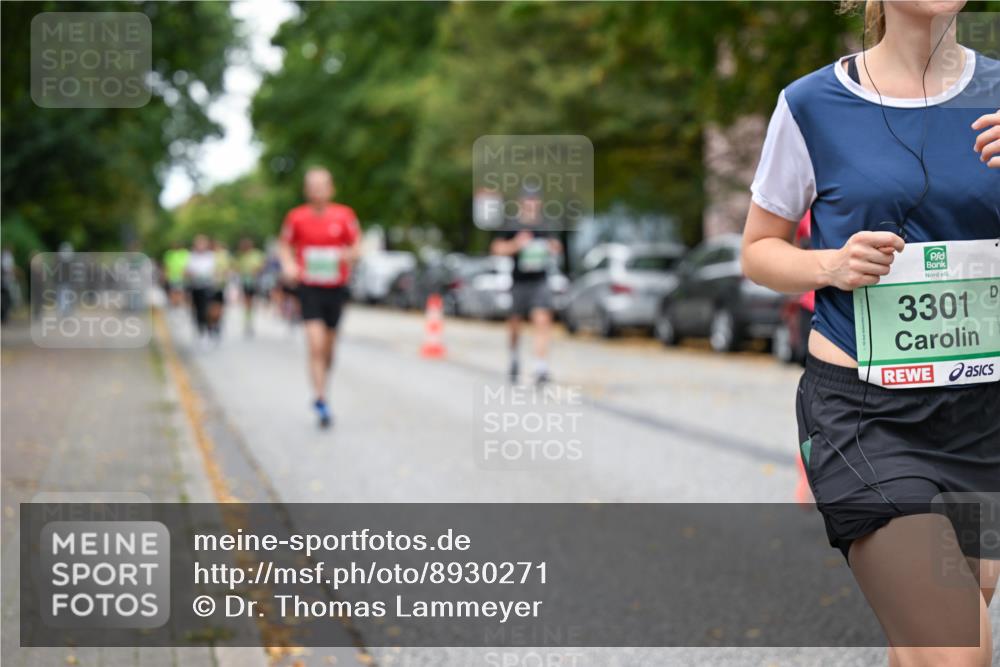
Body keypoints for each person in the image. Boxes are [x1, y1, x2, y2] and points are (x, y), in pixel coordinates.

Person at [742, 1, 999, 664]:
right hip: (866, 411)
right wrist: (830, 263)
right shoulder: (811, 105)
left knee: (925, 641)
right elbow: (758, 249)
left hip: (984, 410)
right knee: (959, 647)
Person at [277, 167, 361, 428]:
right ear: (306, 190)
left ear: (331, 188)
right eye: (312, 185)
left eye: (322, 185)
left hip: (335, 288)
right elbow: (284, 246)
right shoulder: (296, 217)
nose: (317, 190)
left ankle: (324, 385)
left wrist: (350, 255)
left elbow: (357, 244)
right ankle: (320, 398)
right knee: (315, 344)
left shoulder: (344, 215)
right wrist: (289, 265)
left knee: (329, 347)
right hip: (309, 287)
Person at [490, 187, 563, 385]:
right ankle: (514, 357)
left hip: (540, 280)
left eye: (534, 200)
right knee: (515, 323)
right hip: (519, 281)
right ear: (522, 202)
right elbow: (496, 248)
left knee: (542, 321)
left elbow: (557, 246)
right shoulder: (512, 224)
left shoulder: (546, 224)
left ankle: (541, 368)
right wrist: (516, 245)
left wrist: (552, 248)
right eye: (528, 200)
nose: (531, 204)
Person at [185, 234, 216, 344]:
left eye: (202, 243)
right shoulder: (191, 256)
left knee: (206, 309)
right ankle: (200, 331)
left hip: (207, 287)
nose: (200, 246)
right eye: (198, 244)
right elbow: (187, 271)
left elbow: (214, 270)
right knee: (197, 310)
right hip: (195, 287)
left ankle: (209, 331)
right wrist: (191, 274)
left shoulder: (210, 256)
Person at [236, 237, 265, 336]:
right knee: (247, 303)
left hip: (255, 282)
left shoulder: (256, 254)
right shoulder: (242, 256)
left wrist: (256, 271)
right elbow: (239, 269)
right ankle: (248, 321)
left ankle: (249, 320)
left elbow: (261, 266)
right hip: (246, 282)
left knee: (251, 302)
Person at [162, 241, 190, 308]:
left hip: (182, 277)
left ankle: (180, 305)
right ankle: (174, 305)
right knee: (173, 291)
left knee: (181, 291)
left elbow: (188, 264)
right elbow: (166, 266)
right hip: (172, 277)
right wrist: (165, 275)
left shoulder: (184, 253)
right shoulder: (169, 253)